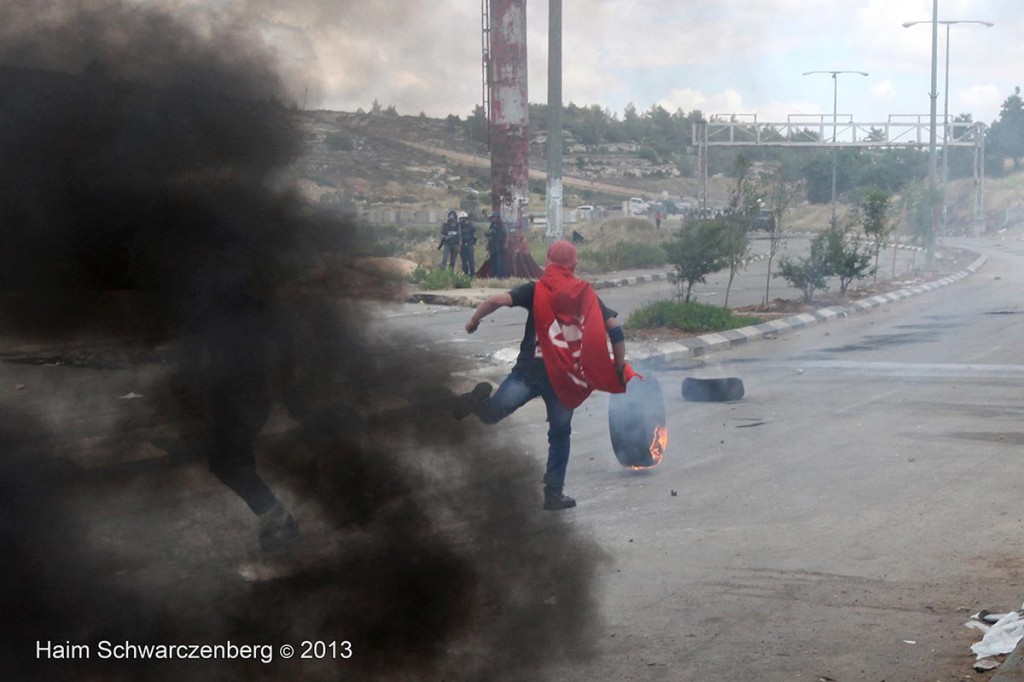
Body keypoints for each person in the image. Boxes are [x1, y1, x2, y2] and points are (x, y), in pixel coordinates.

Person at [455, 240, 633, 510]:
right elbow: (615, 330)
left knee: (492, 415)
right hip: (563, 381)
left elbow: (495, 300)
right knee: (560, 435)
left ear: (548, 262)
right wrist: (619, 366)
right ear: (574, 264)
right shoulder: (586, 295)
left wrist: (473, 321)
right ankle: (553, 494)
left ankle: (475, 402)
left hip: (529, 373)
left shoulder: (535, 290)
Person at [485, 211, 507, 278]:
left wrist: (492, 234)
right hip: (493, 247)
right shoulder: (492, 225)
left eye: (494, 218)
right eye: (492, 218)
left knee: (500, 262)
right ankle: (495, 275)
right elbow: (491, 234)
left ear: (497, 218)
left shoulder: (501, 226)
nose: (492, 219)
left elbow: (500, 236)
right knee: (493, 262)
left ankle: (501, 276)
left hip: (499, 247)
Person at [458, 211, 477, 276]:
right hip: (462, 245)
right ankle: (465, 274)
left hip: (470, 244)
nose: (463, 220)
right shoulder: (459, 226)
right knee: (464, 261)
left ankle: (472, 274)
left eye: (465, 218)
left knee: (471, 260)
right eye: (462, 219)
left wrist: (468, 224)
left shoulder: (471, 224)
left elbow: (474, 231)